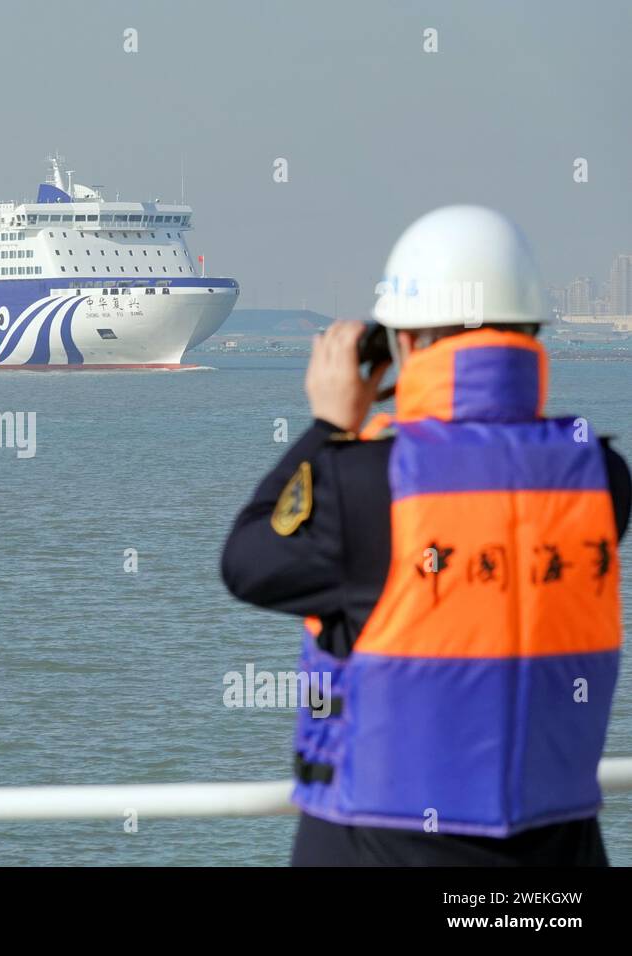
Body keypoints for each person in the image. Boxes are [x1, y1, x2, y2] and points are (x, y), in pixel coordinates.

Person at [221, 205, 628, 865]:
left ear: (403, 344)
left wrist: (327, 427)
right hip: (561, 851)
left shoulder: (365, 482)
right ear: (531, 333)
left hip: (381, 843)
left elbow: (248, 563)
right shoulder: (599, 477)